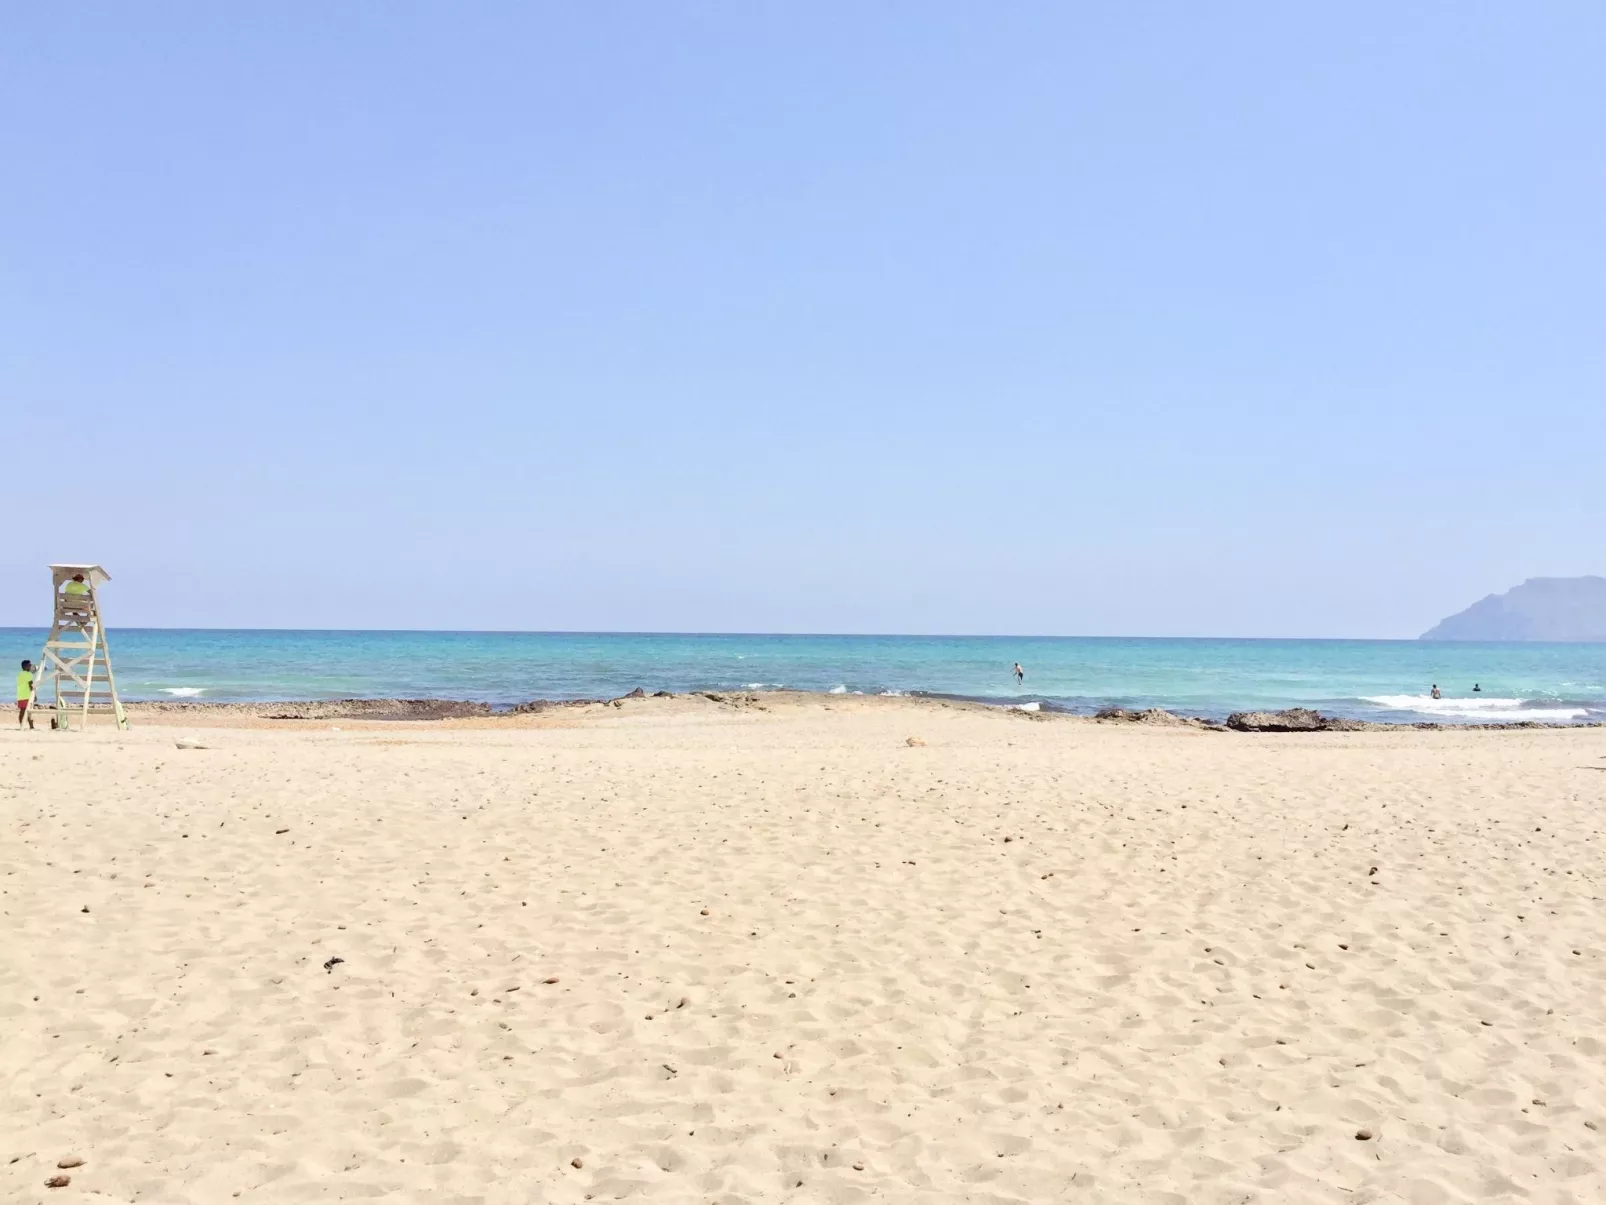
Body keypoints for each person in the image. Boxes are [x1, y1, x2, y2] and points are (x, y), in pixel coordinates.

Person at [16, 659, 35, 729]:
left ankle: (22, 725)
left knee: (22, 711)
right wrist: (34, 695)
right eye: (29, 665)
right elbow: (31, 686)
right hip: (26, 696)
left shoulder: (20, 674)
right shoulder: (28, 674)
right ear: (25, 666)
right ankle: (30, 725)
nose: (30, 666)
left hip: (20, 696)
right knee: (27, 711)